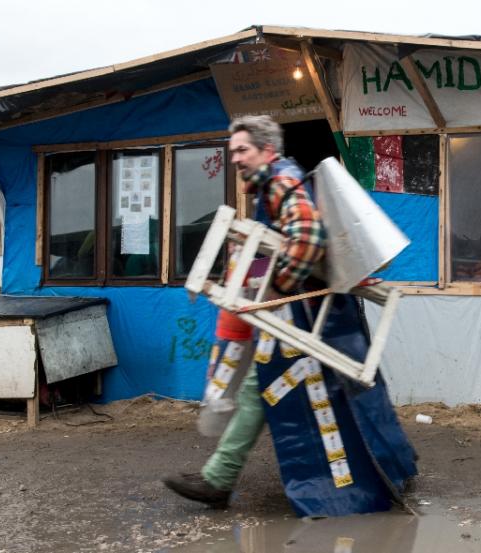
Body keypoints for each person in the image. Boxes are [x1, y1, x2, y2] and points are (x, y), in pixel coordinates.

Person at [163, 116, 416, 514]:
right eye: (233, 152)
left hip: (301, 314)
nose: (236, 159)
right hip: (312, 315)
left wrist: (279, 285)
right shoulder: (280, 180)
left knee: (262, 389)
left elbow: (308, 237)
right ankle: (220, 477)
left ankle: (219, 479)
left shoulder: (281, 181)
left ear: (267, 150)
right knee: (282, 390)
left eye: (242, 150)